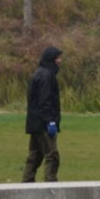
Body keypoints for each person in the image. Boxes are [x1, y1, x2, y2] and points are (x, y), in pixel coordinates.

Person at [22, 46, 63, 182]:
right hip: (43, 123)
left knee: (35, 155)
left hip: (35, 122)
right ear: (51, 59)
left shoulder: (38, 73)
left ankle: (27, 181)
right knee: (52, 155)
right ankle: (50, 183)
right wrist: (50, 121)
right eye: (58, 58)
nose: (60, 61)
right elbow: (45, 101)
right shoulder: (46, 76)